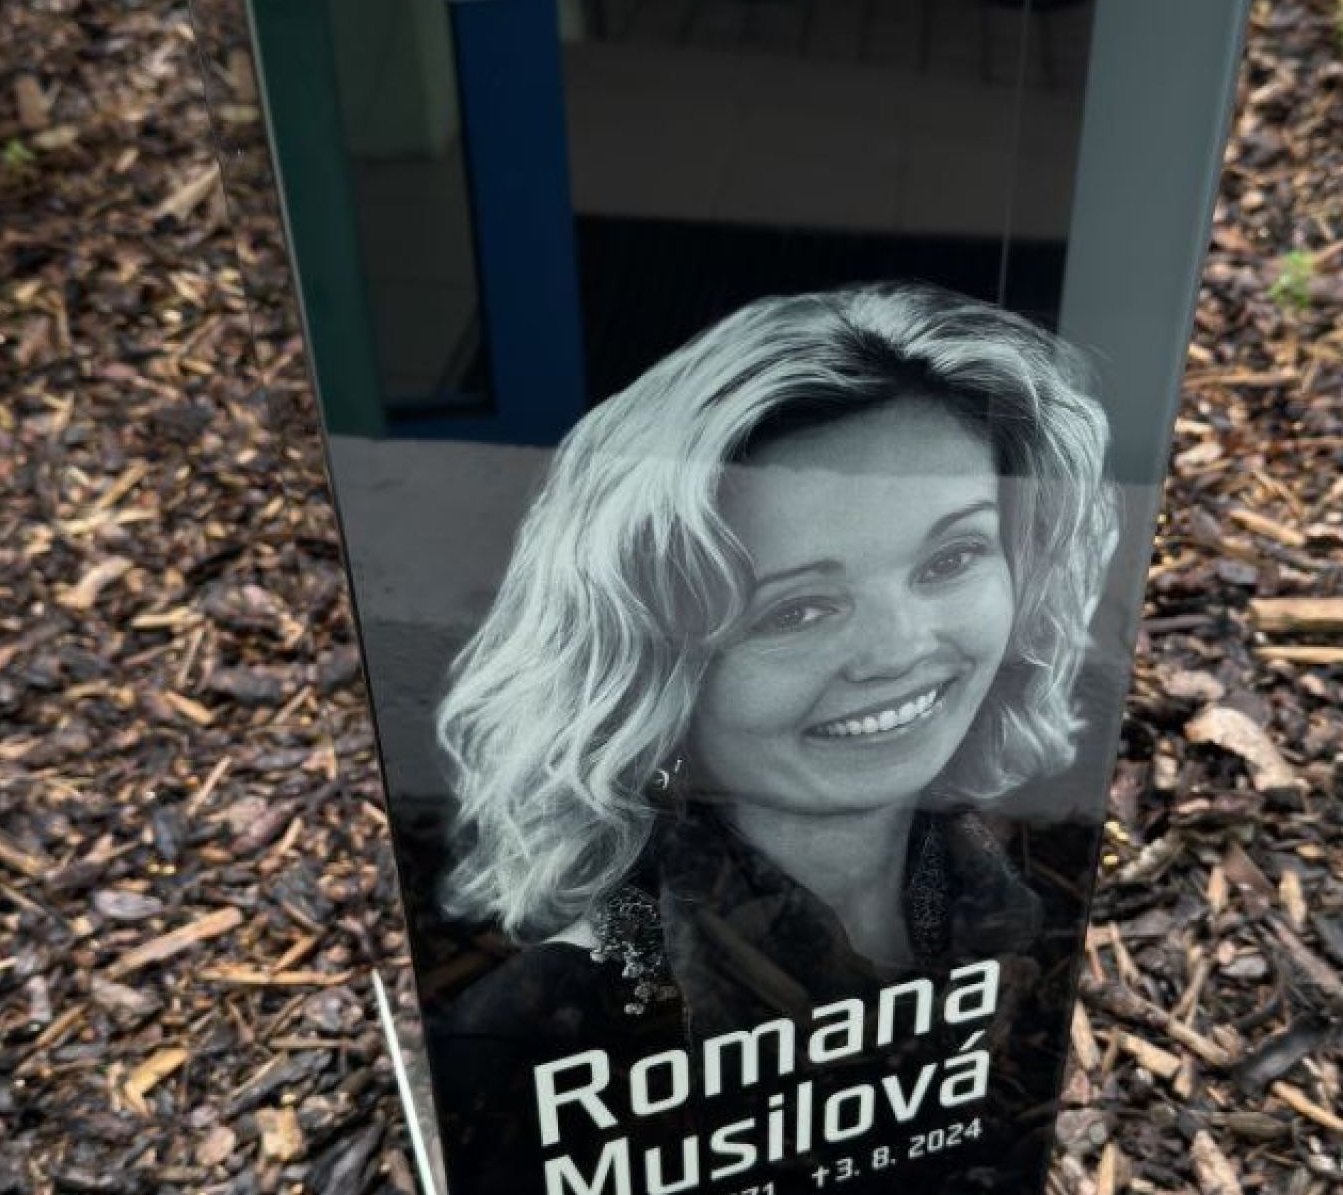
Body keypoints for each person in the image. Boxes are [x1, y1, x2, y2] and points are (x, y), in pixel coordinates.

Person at [426, 281, 1120, 1085]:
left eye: (951, 558)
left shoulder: (1025, 885)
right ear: (647, 669)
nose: (900, 650)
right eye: (797, 610)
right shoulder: (539, 1042)